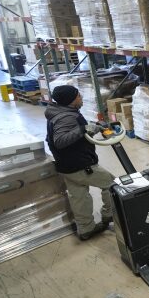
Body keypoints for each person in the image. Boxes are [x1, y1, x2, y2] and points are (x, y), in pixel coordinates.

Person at [45, 85, 116, 241]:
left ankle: (86, 229)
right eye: (78, 96)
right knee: (112, 185)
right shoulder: (67, 117)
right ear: (70, 100)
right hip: (80, 166)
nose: (81, 98)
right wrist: (83, 129)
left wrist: (90, 128)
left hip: (66, 166)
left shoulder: (59, 113)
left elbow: (71, 132)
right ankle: (108, 215)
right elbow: (60, 141)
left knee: (79, 197)